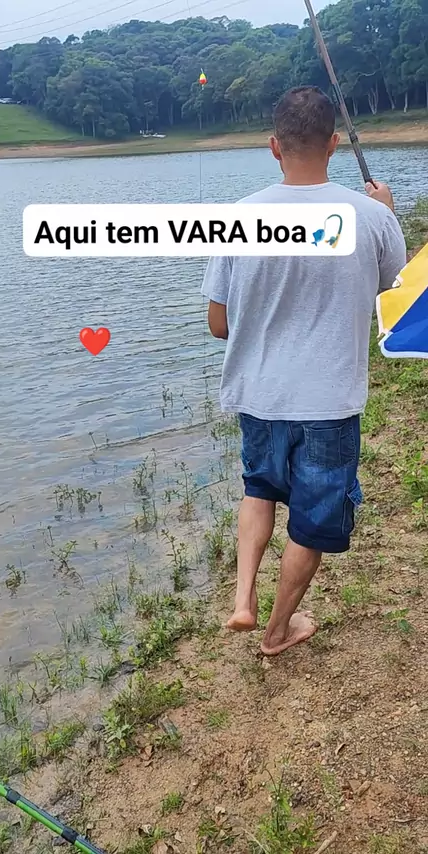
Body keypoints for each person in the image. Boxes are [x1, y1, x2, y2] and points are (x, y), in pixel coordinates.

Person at [201, 85, 407, 657]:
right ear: (334, 144)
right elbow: (396, 298)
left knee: (259, 490)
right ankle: (276, 631)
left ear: (274, 146)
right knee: (312, 523)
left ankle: (243, 599)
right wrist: (387, 213)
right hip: (328, 402)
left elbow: (218, 325)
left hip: (259, 397)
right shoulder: (371, 216)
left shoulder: (238, 218)